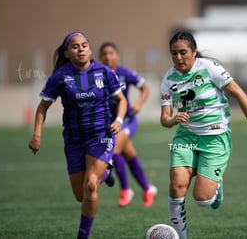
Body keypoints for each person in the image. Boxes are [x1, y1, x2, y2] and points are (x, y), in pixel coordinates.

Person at [160, 31, 247, 239]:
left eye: (183, 52)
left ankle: (217, 184)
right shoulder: (168, 79)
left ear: (193, 52)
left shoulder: (209, 69)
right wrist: (172, 120)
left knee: (202, 199)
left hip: (215, 138)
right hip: (185, 138)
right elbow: (164, 118)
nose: (178, 58)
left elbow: (239, 93)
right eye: (173, 53)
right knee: (176, 188)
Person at [28, 32, 127, 239]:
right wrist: (37, 134)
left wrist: (118, 120)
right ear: (67, 52)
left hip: (101, 135)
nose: (81, 49)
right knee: (80, 195)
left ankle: (82, 236)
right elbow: (42, 106)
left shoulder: (105, 72)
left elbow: (122, 100)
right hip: (74, 140)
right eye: (75, 46)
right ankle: (106, 173)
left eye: (84, 45)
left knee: (91, 185)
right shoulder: (60, 77)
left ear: (90, 50)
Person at [99, 42, 158, 207]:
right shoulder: (98, 75)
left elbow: (145, 88)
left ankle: (125, 189)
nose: (108, 56)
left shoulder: (125, 74)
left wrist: (138, 104)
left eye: (111, 53)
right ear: (100, 57)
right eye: (104, 53)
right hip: (110, 124)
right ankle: (147, 188)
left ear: (117, 55)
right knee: (129, 156)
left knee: (115, 148)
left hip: (127, 121)